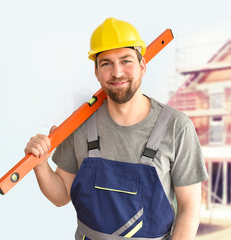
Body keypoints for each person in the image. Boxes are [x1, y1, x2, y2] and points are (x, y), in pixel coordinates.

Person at [25, 17, 209, 240]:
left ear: (142, 65)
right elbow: (61, 195)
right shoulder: (80, 124)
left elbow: (189, 208)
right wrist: (41, 164)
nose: (117, 72)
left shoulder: (177, 127)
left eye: (126, 61)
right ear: (96, 72)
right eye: (106, 63)